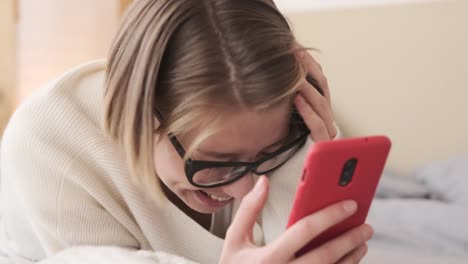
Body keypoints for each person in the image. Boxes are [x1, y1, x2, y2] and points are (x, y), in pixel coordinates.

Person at [0, 0, 373, 263]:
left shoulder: (277, 129)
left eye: (268, 155)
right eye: (216, 161)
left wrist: (309, 153)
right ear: (139, 112)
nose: (244, 189)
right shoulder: (49, 145)